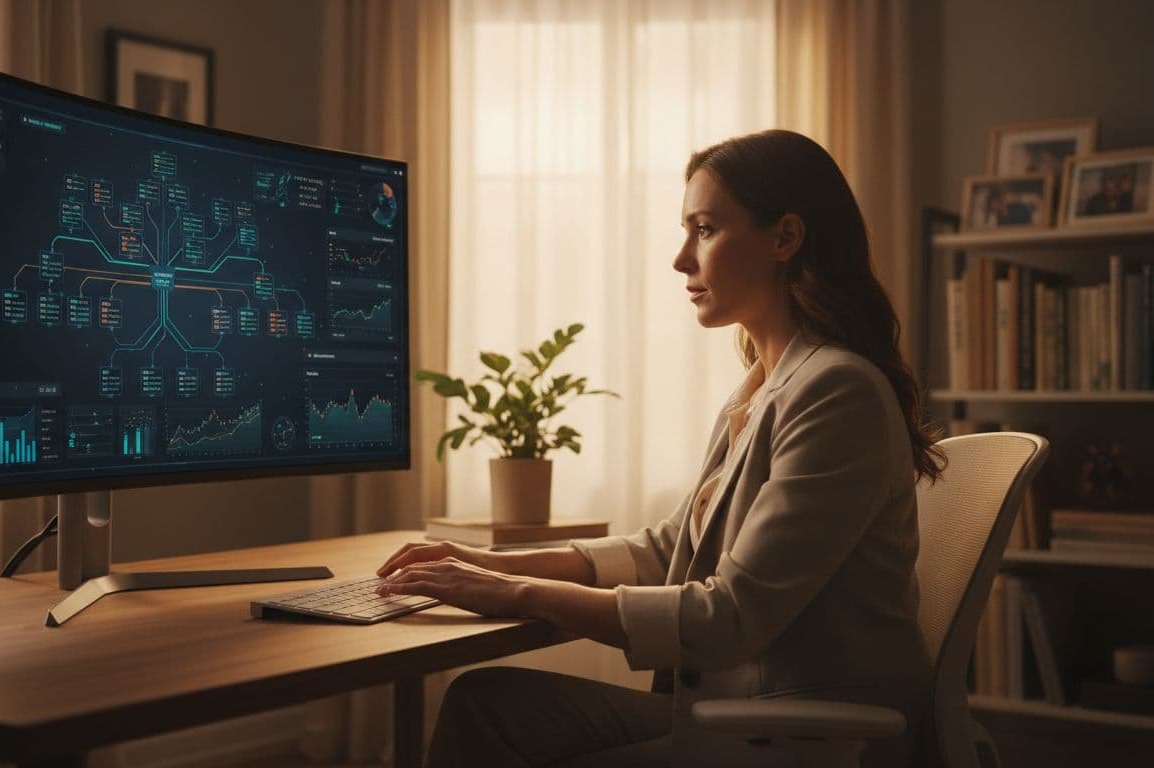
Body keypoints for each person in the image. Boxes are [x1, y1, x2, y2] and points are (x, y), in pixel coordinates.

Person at [376, 129, 944, 768]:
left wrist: (506, 594)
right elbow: (669, 549)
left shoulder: (836, 390)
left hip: (805, 739)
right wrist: (487, 563)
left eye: (704, 229)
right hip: (743, 713)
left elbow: (726, 617)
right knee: (483, 702)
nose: (680, 259)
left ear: (786, 238)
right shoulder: (763, 387)